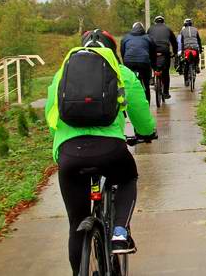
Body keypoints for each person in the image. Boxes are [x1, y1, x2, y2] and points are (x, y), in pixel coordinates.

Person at [44, 29, 157, 275]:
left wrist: (63, 142)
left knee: (76, 224)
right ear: (112, 50)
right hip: (110, 152)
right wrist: (147, 132)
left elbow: (51, 116)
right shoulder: (121, 72)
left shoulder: (62, 73)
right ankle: (119, 232)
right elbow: (140, 111)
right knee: (127, 178)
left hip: (70, 155)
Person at [120, 22, 156, 101]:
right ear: (143, 29)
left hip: (128, 61)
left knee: (128, 83)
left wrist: (125, 62)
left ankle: (129, 100)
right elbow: (153, 52)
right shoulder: (148, 37)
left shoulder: (126, 38)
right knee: (146, 84)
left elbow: (122, 52)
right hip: (144, 62)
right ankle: (147, 103)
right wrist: (153, 64)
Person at [147, 15, 178, 100]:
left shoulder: (150, 29)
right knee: (166, 72)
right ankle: (166, 92)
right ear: (163, 22)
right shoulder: (168, 29)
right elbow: (174, 42)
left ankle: (151, 78)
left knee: (151, 64)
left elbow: (146, 40)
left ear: (155, 22)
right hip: (165, 50)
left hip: (153, 50)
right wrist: (175, 53)